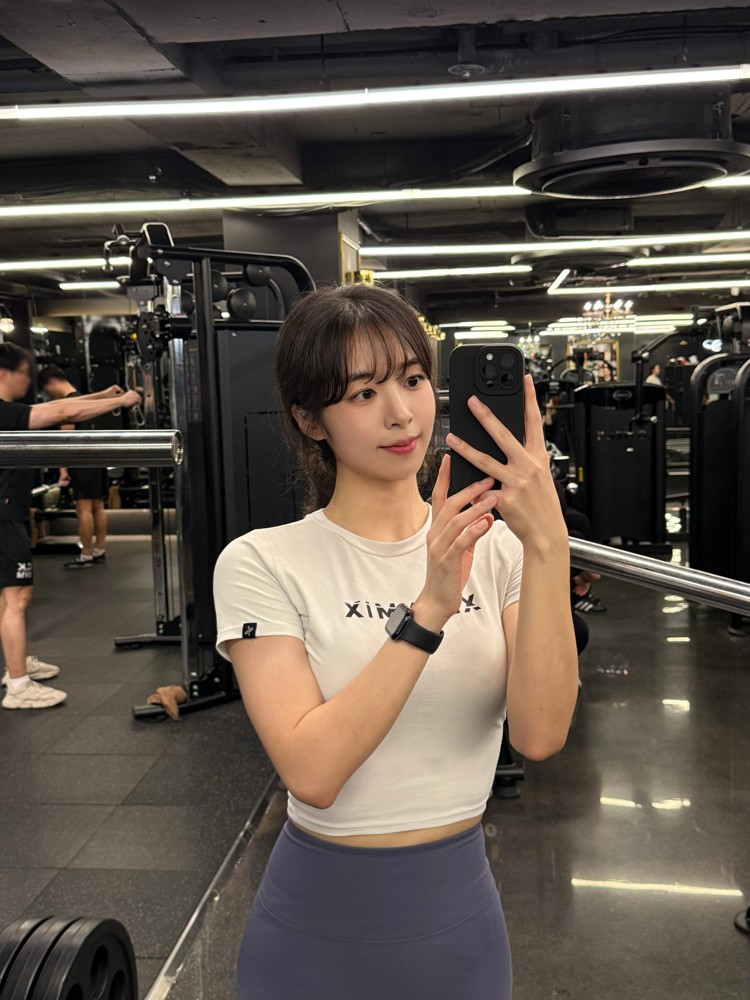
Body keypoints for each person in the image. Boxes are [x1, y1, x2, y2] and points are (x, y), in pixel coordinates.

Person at [213, 283, 579, 1000]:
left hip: (460, 932)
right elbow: (313, 773)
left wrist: (549, 544)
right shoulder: (262, 561)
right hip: (313, 936)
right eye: (363, 393)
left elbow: (541, 734)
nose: (401, 413)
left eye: (412, 380)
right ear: (309, 420)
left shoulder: (501, 550)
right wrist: (430, 608)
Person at [0, 342, 141, 710]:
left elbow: (58, 406)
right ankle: (18, 685)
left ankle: (15, 662)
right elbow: (63, 410)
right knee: (17, 596)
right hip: (5, 515)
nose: (27, 381)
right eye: (22, 374)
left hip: (9, 511)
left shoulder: (8, 411)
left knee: (9, 596)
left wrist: (102, 395)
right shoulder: (2, 412)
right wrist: (122, 401)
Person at [38, 365, 120, 569]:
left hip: (82, 460)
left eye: (47, 390)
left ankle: (86, 554)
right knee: (97, 506)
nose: (49, 395)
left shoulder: (71, 403)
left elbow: (65, 440)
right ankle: (99, 549)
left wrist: (63, 470)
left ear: (51, 384)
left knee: (83, 508)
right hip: (96, 458)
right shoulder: (84, 400)